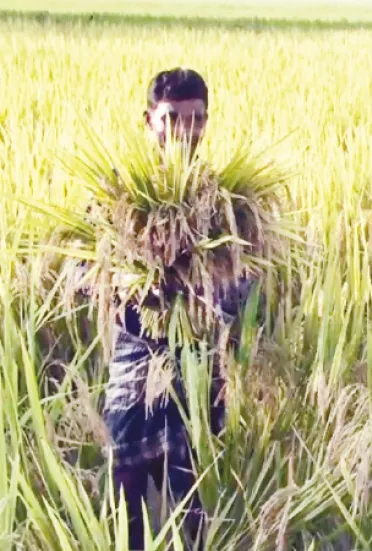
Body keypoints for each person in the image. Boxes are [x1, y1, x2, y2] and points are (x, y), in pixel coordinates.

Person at [76, 67, 252, 551]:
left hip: (199, 378)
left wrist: (207, 298)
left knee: (193, 511)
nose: (184, 133)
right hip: (134, 377)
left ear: (207, 122)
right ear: (149, 120)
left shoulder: (228, 202)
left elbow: (247, 278)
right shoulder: (118, 198)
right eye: (172, 118)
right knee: (124, 508)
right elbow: (83, 275)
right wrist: (140, 292)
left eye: (196, 120)